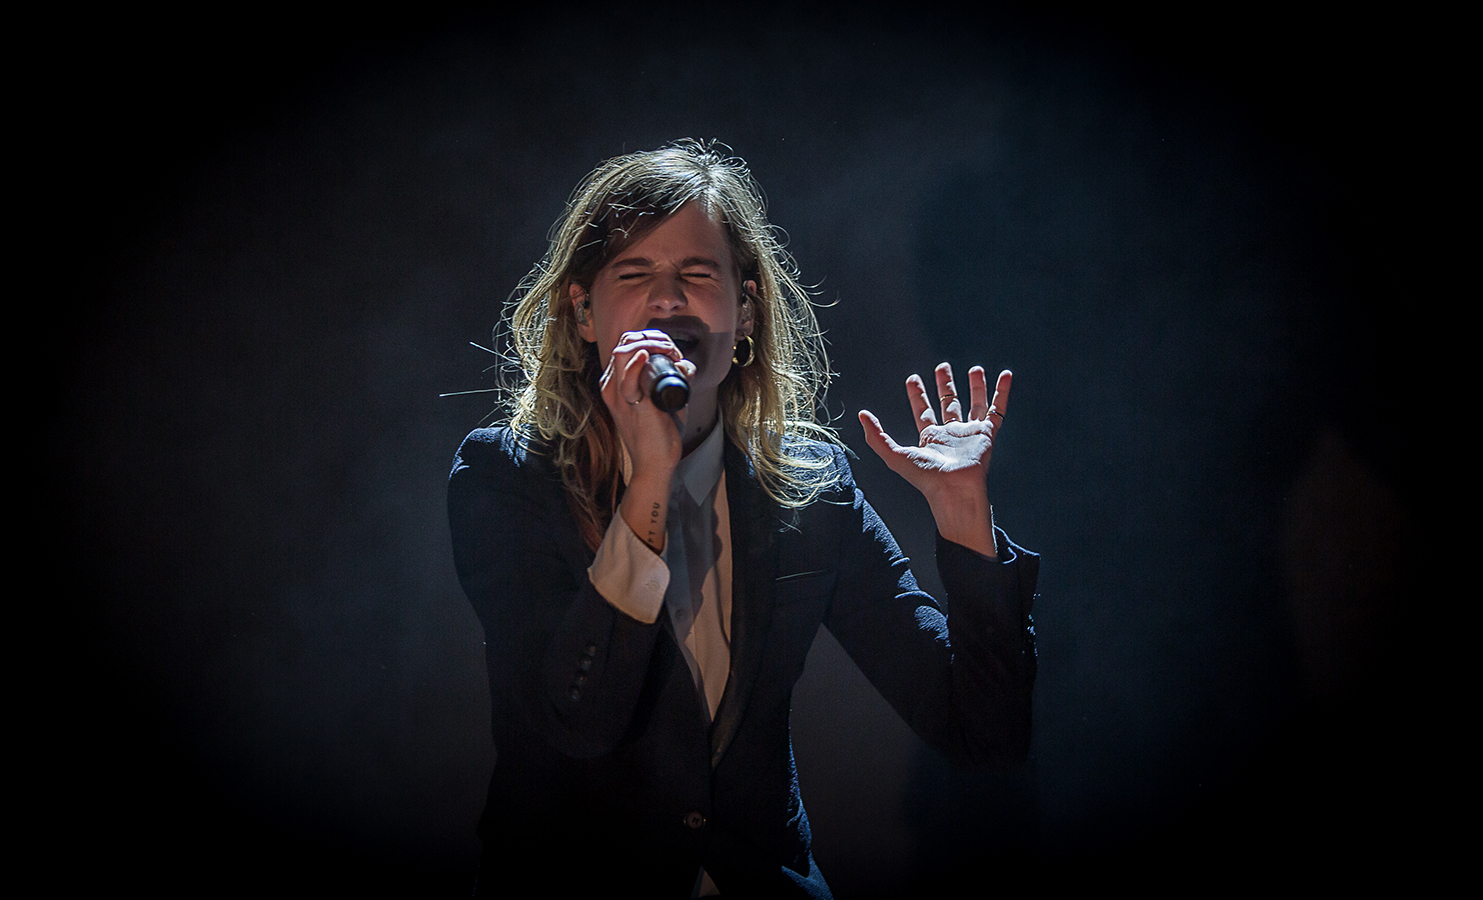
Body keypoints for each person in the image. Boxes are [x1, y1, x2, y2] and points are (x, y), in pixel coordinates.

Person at [448, 140, 1038, 898]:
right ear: (583, 311)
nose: (667, 300)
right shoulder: (507, 477)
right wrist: (649, 483)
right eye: (634, 274)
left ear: (747, 307)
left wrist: (962, 518)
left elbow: (985, 735)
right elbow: (580, 720)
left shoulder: (809, 492)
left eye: (697, 274)